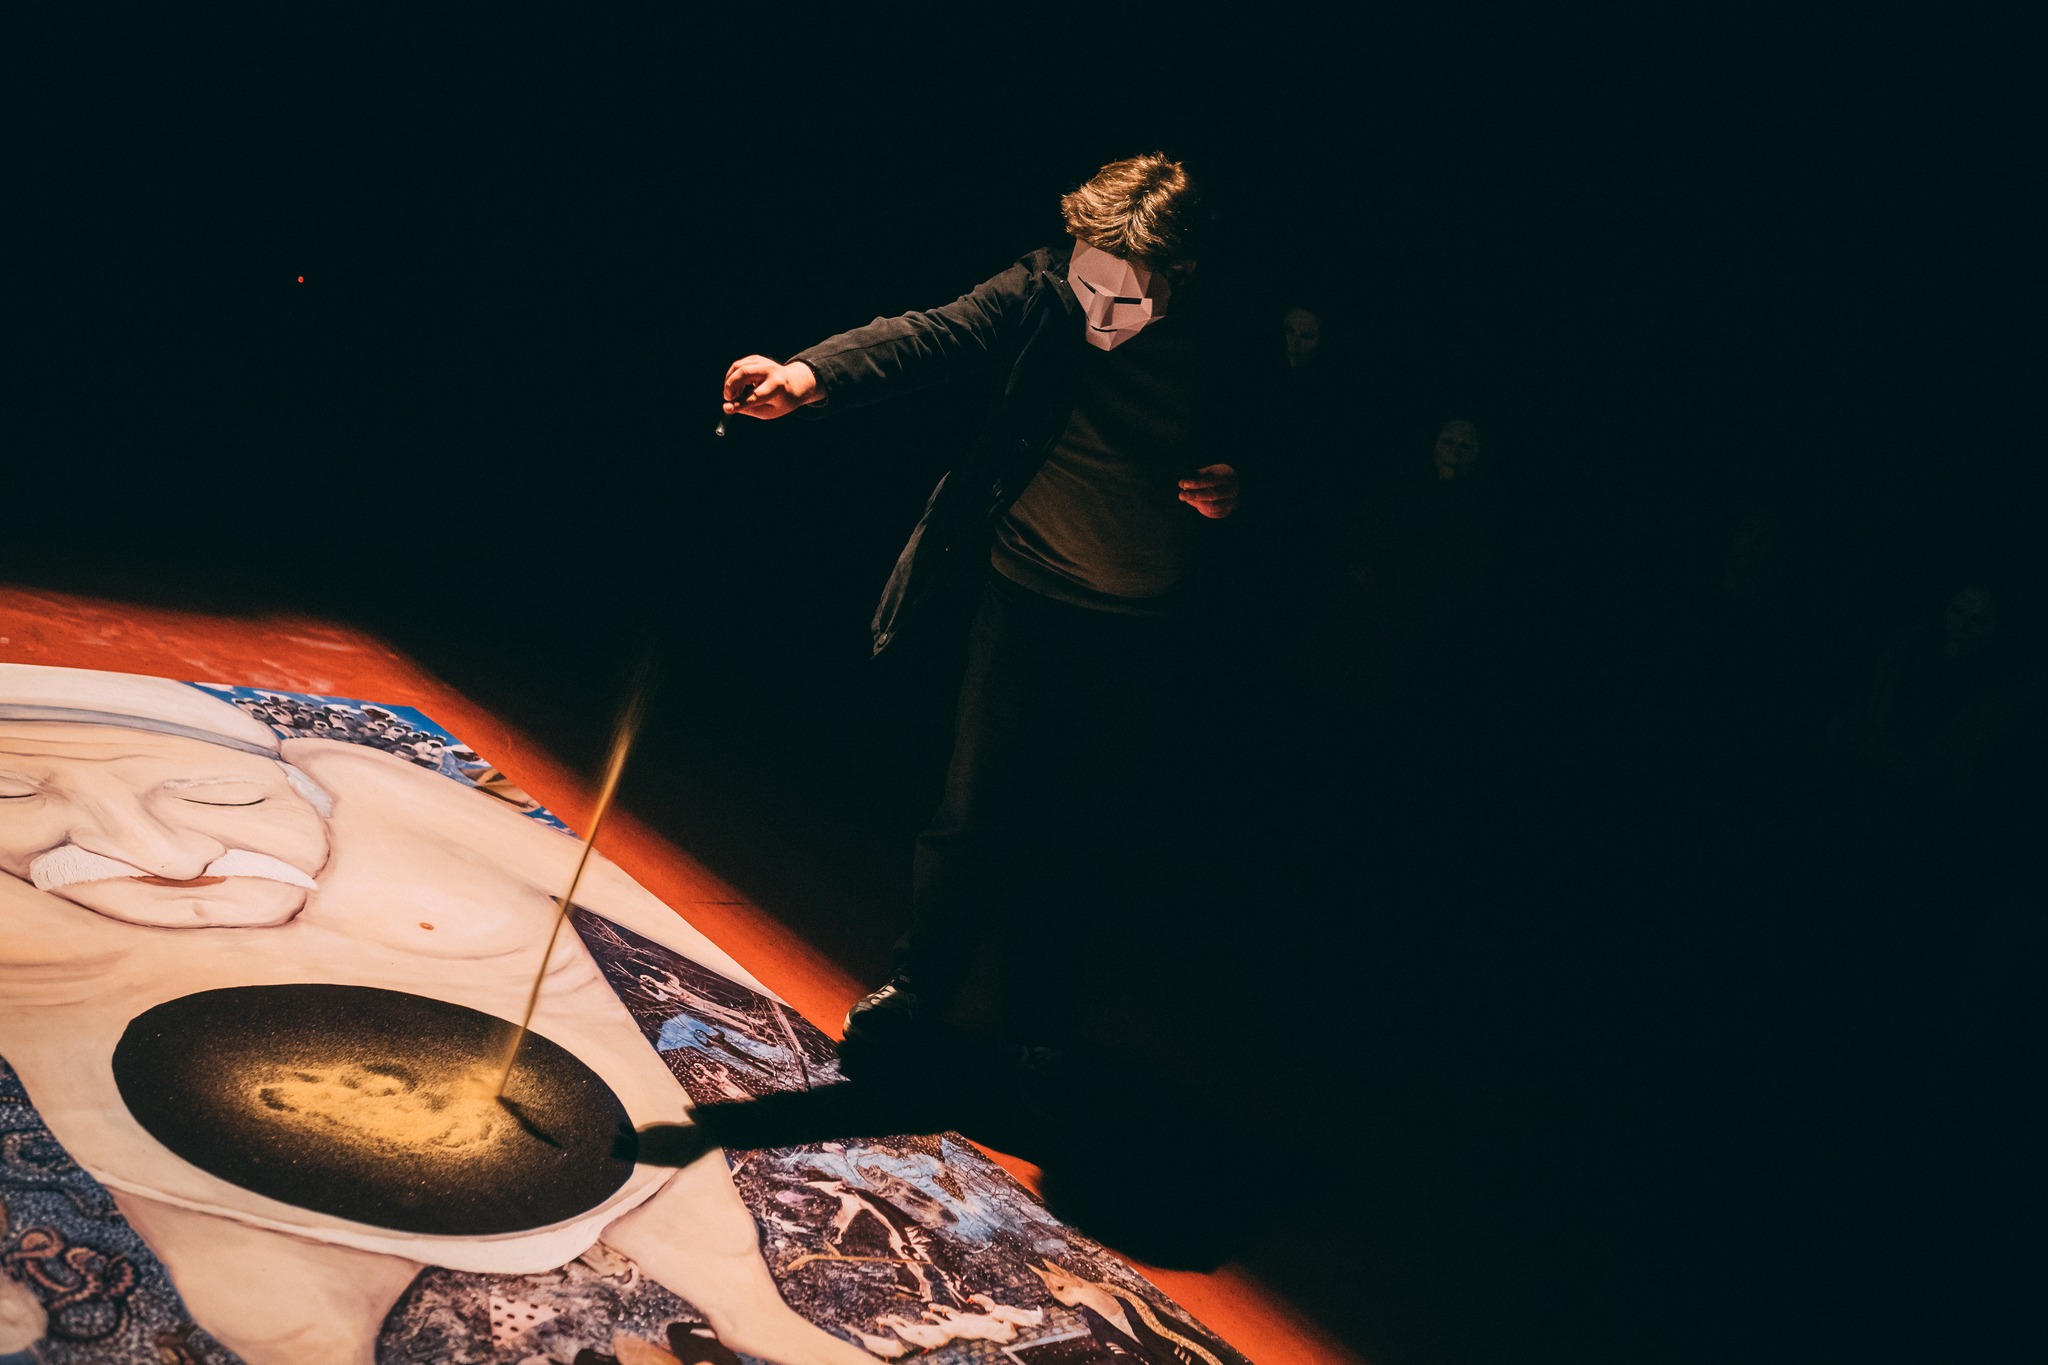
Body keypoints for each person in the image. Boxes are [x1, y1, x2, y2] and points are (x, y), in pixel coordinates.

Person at [0, 663, 873, 1365]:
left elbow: (639, 897)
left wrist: (863, 1019)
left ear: (293, 783)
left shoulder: (366, 787)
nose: (162, 853)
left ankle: (751, 1309)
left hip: (618, 1145)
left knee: (748, 1294)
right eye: (13, 795)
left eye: (220, 795)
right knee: (287, 1324)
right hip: (232, 1200)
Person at [719, 153, 1276, 1075]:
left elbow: (1283, 438)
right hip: (1028, 592)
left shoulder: (1233, 336)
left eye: (1127, 299)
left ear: (1183, 274)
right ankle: (919, 989)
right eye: (1089, 286)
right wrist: (807, 374)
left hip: (1142, 622)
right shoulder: (1044, 285)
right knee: (971, 810)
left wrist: (1240, 482)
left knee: (1079, 833)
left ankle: (1039, 1028)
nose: (1098, 315)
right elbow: (935, 332)